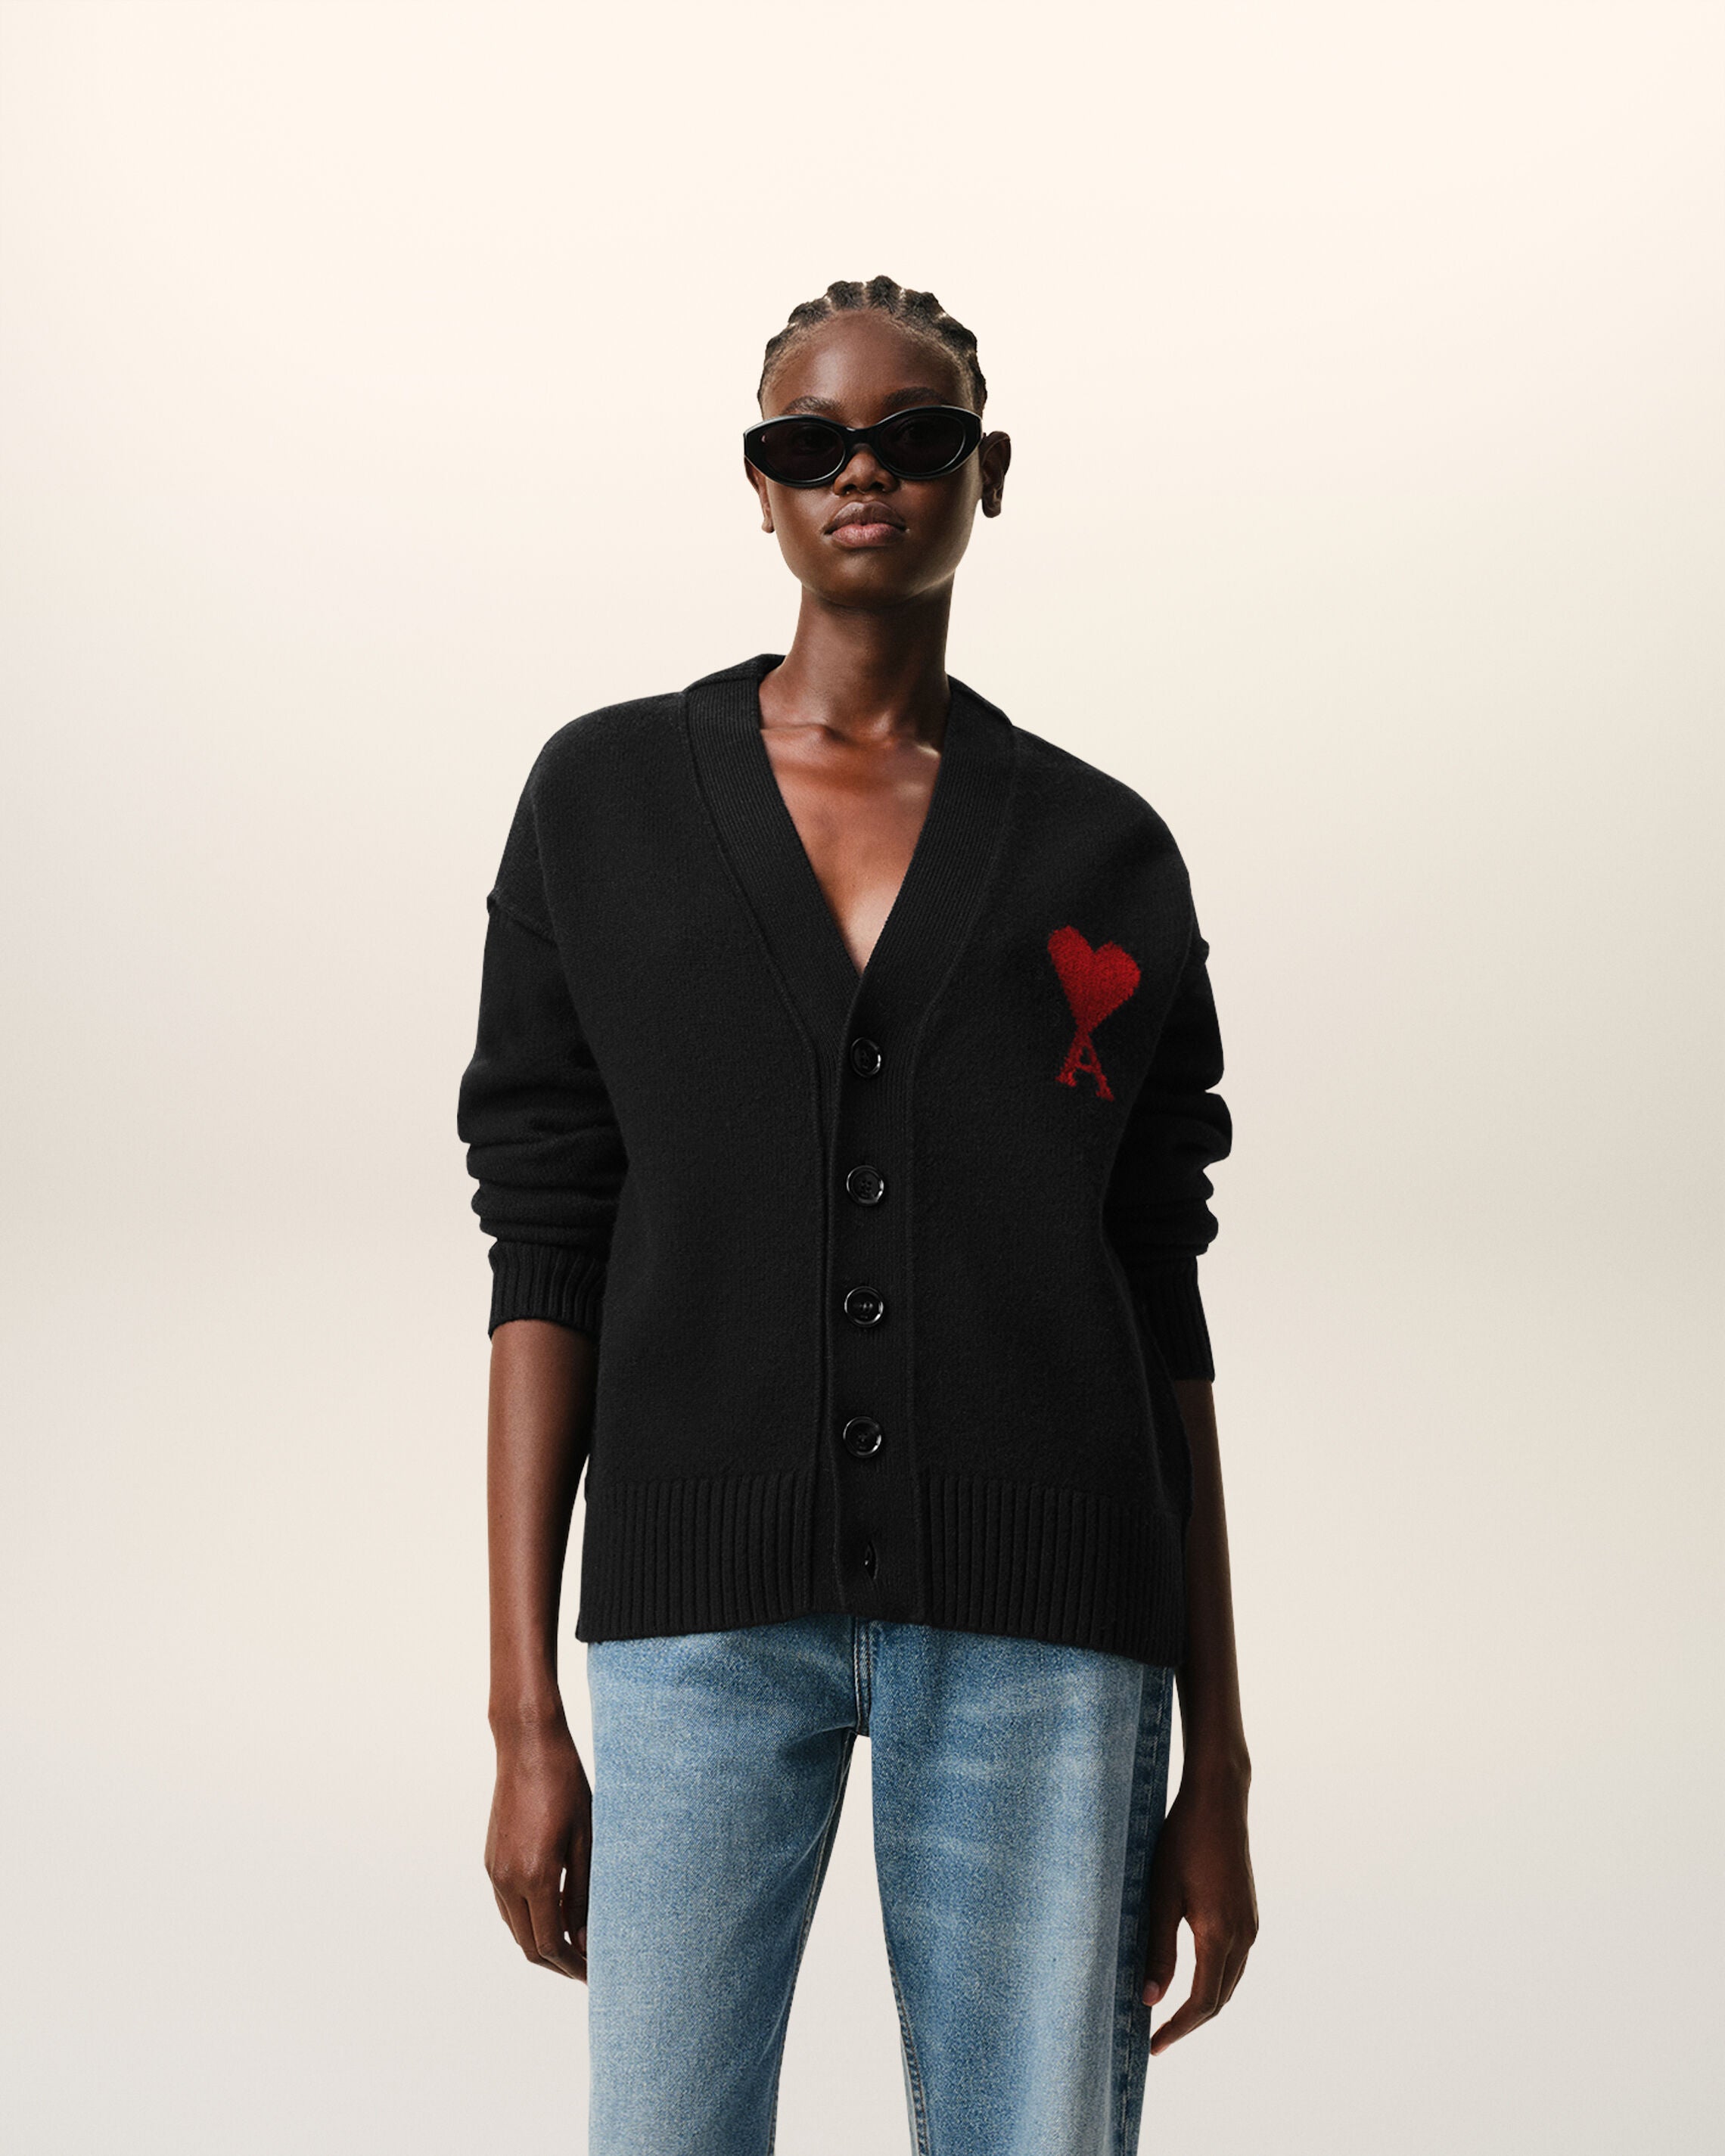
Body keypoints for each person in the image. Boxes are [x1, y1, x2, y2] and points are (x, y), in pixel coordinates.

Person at [456, 275, 1257, 2156]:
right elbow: (544, 1246)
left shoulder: (1107, 852)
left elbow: (1162, 1312)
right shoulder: (600, 805)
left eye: (914, 435)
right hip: (696, 1619)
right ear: (758, 485)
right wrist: (522, 1716)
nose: (863, 473)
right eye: (810, 442)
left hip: (1053, 1625)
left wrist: (1216, 1761)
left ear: (990, 468)